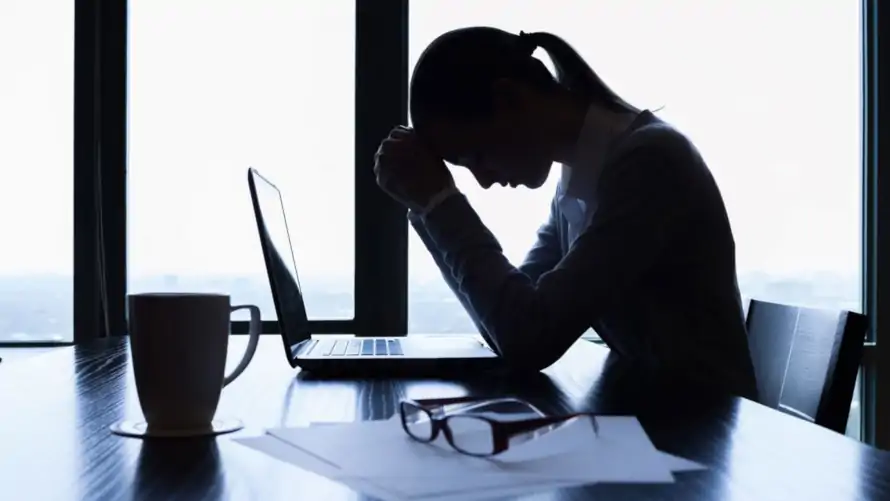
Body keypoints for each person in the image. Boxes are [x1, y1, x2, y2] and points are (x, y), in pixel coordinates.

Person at [373, 26, 758, 400]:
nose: (485, 180)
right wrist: (429, 208)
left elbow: (529, 338)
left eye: (476, 156)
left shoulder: (650, 162)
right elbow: (506, 325)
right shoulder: (581, 180)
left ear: (510, 99)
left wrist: (441, 206)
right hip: (661, 419)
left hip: (705, 432)